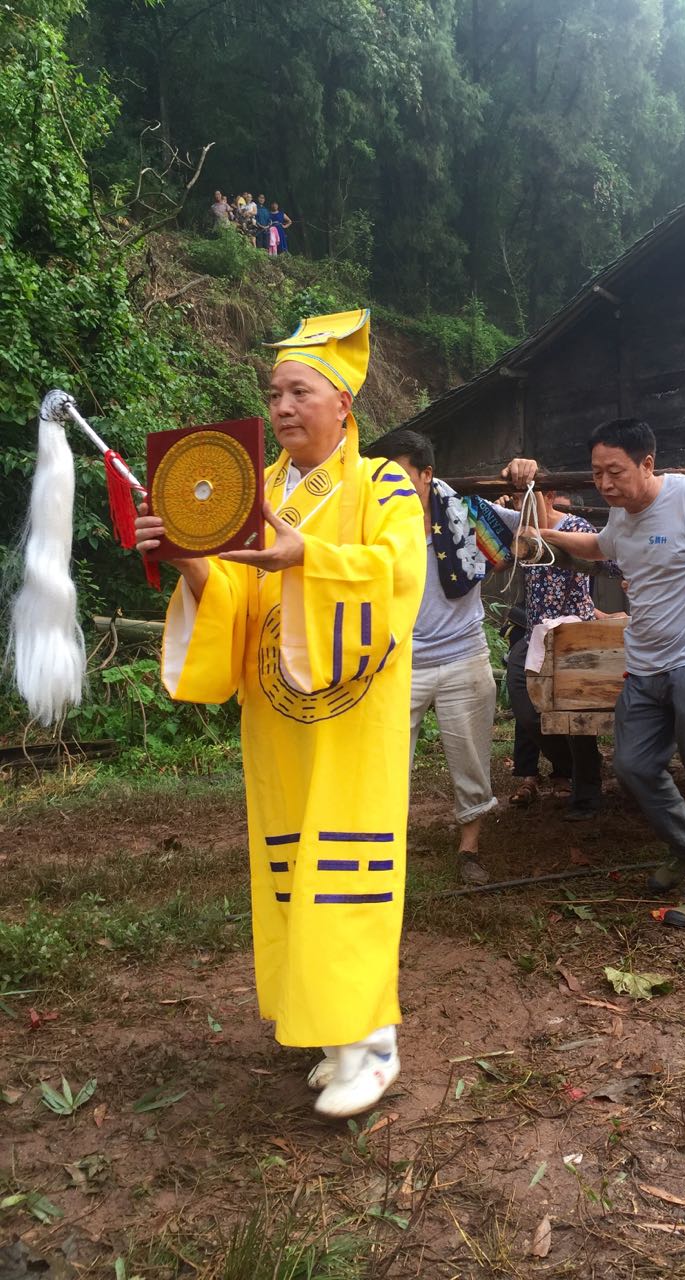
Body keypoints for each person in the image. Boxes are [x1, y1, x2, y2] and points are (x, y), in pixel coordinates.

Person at [134, 310, 426, 1120]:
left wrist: (309, 556)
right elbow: (233, 594)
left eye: (300, 390)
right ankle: (328, 1031)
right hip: (275, 714)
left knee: (349, 868)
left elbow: (399, 575)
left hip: (350, 717)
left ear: (343, 403)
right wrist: (192, 558)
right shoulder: (254, 490)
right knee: (294, 870)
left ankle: (370, 1041)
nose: (284, 407)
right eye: (274, 393)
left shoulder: (382, 484)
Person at [536, 419, 685, 928]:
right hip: (645, 664)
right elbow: (601, 547)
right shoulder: (621, 513)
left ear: (647, 464)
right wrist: (547, 534)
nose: (606, 484)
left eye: (615, 471)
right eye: (597, 474)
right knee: (633, 766)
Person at [368, 427, 529, 886]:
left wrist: (526, 481)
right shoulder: (367, 524)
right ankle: (383, 852)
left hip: (464, 655)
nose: (390, 490)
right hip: (396, 661)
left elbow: (534, 522)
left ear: (426, 475)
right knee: (385, 760)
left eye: (401, 478)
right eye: (381, 480)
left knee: (471, 757)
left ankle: (469, 849)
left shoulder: (465, 512)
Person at [506, 488, 619, 822]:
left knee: (577, 719)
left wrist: (559, 542)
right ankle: (566, 765)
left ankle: (586, 793)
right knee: (525, 706)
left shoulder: (576, 526)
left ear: (549, 495)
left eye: (526, 498)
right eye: (515, 499)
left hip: (574, 633)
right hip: (536, 632)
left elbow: (611, 564)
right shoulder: (520, 529)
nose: (519, 505)